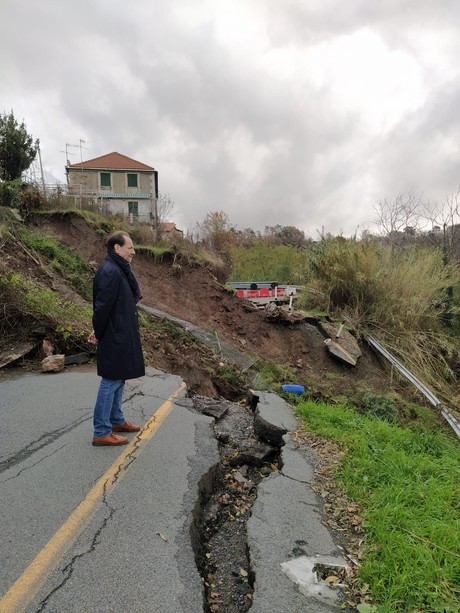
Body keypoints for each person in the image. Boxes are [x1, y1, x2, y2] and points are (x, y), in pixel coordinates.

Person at [88, 231, 145, 446]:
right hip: (114, 334)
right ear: (117, 248)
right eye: (129, 247)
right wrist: (99, 332)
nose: (133, 252)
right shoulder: (110, 271)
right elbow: (101, 308)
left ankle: (116, 420)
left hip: (120, 331)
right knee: (111, 379)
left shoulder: (118, 270)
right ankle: (101, 431)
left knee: (119, 377)